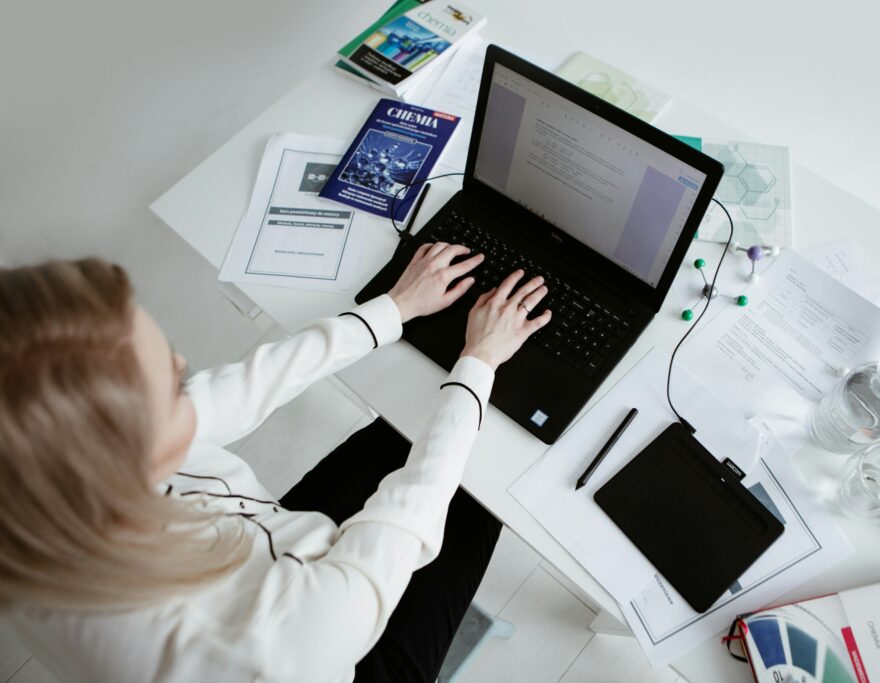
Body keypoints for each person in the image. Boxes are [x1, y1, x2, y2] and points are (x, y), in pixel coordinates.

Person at [0, 243, 551, 683]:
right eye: (171, 387)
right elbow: (404, 520)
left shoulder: (42, 472)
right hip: (344, 653)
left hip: (269, 543)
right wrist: (477, 362)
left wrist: (394, 308)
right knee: (484, 481)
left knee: (406, 426)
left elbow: (238, 391)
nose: (183, 365)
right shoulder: (259, 644)